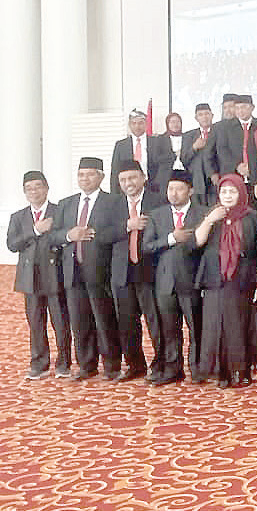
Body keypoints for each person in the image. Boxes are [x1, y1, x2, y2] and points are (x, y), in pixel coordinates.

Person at [193, 174, 257, 388]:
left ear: (241, 193)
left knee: (239, 326)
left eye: (232, 191)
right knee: (215, 326)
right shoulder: (210, 215)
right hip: (215, 279)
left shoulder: (253, 217)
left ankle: (242, 371)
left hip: (242, 280)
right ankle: (222, 373)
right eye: (224, 191)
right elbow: (197, 242)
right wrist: (210, 219)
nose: (228, 195)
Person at [53, 157, 126, 380]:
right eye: (81, 175)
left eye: (90, 174)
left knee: (105, 319)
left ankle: (112, 365)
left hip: (101, 270)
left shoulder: (114, 201)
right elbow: (52, 236)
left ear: (101, 176)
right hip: (72, 271)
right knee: (79, 320)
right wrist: (68, 235)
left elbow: (120, 233)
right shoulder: (66, 203)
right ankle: (86, 364)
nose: (85, 179)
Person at [142, 169, 207, 385]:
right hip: (165, 282)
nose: (174, 194)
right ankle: (173, 369)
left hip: (193, 280)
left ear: (191, 191)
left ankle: (198, 369)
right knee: (169, 329)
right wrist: (171, 238)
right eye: (171, 189)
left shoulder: (203, 214)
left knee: (197, 328)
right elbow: (147, 246)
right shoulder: (156, 214)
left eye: (179, 189)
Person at [7, 171, 71, 380]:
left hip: (55, 273)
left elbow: (65, 238)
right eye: (29, 188)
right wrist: (35, 230)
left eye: (38, 187)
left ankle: (63, 363)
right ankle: (39, 363)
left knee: (60, 321)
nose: (34, 191)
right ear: (25, 192)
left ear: (46, 188)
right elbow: (12, 245)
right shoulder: (18, 216)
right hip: (30, 276)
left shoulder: (58, 211)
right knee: (35, 322)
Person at [111, 160, 166, 381]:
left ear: (143, 177)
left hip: (149, 270)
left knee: (156, 321)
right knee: (126, 323)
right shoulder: (112, 204)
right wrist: (128, 226)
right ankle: (135, 366)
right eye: (123, 180)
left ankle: (161, 365)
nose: (128, 183)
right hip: (122, 272)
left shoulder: (158, 201)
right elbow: (102, 235)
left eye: (132, 178)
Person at [211, 95, 257, 204]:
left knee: (253, 210)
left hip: (255, 176)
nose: (241, 111)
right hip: (232, 174)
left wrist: (253, 171)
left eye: (244, 107)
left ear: (252, 108)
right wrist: (237, 165)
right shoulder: (226, 127)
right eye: (238, 108)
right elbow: (222, 150)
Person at [111, 108, 176, 195]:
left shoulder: (159, 142)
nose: (137, 126)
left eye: (140, 123)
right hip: (129, 188)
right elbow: (115, 171)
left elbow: (166, 166)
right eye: (134, 123)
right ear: (129, 125)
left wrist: (159, 185)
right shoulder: (121, 145)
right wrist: (115, 195)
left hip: (154, 188)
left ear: (146, 124)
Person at [181, 103, 218, 205]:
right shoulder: (188, 136)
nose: (204, 117)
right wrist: (194, 147)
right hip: (197, 182)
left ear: (212, 115)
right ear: (196, 118)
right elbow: (183, 160)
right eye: (200, 115)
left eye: (207, 114)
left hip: (215, 181)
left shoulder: (220, 132)